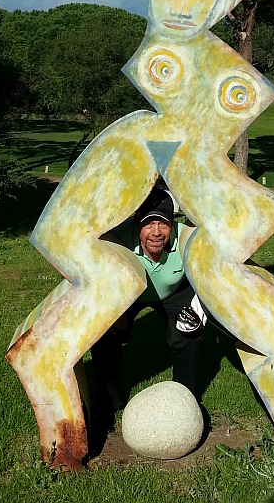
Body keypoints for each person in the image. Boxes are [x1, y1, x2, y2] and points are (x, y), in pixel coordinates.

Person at [90, 181, 205, 430]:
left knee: (189, 331)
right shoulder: (117, 237)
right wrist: (114, 308)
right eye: (148, 223)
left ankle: (185, 400)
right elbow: (93, 264)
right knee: (103, 332)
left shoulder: (186, 238)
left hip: (174, 290)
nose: (156, 232)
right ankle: (109, 399)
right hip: (130, 293)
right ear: (136, 223)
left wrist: (200, 303)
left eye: (163, 223)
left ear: (171, 224)